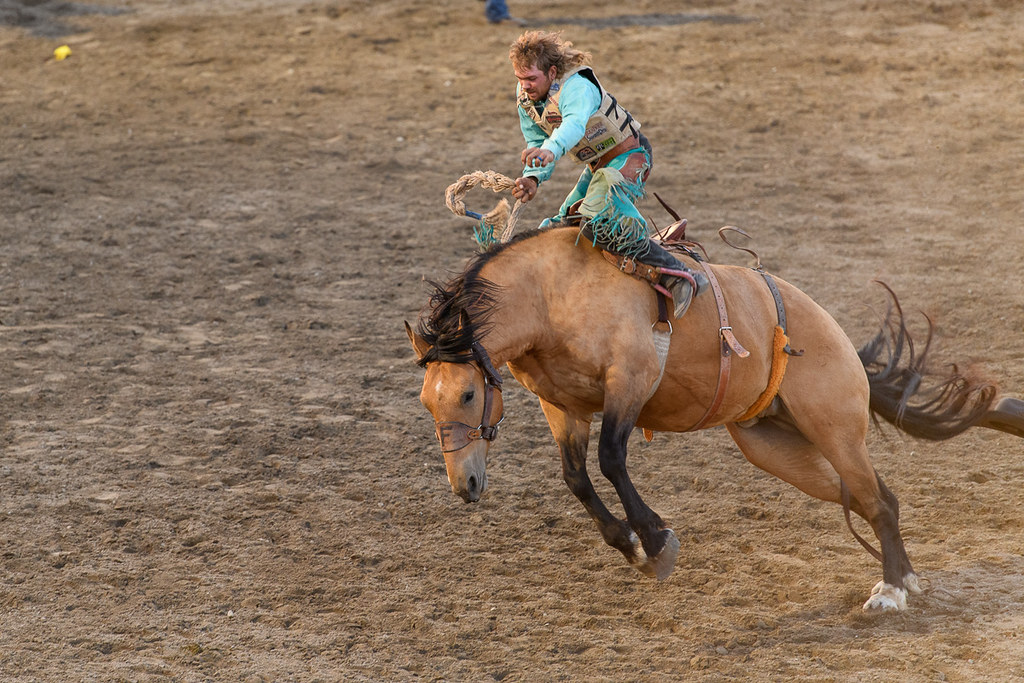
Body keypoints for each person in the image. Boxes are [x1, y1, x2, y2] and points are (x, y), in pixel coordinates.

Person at [507, 31, 707, 317]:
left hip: (631, 156)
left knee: (600, 219)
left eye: (531, 79)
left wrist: (552, 149)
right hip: (600, 166)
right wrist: (532, 177)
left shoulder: (577, 87)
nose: (524, 86)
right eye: (519, 79)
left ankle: (680, 275)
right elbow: (536, 142)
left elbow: (573, 125)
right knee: (562, 225)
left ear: (552, 72)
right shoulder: (527, 98)